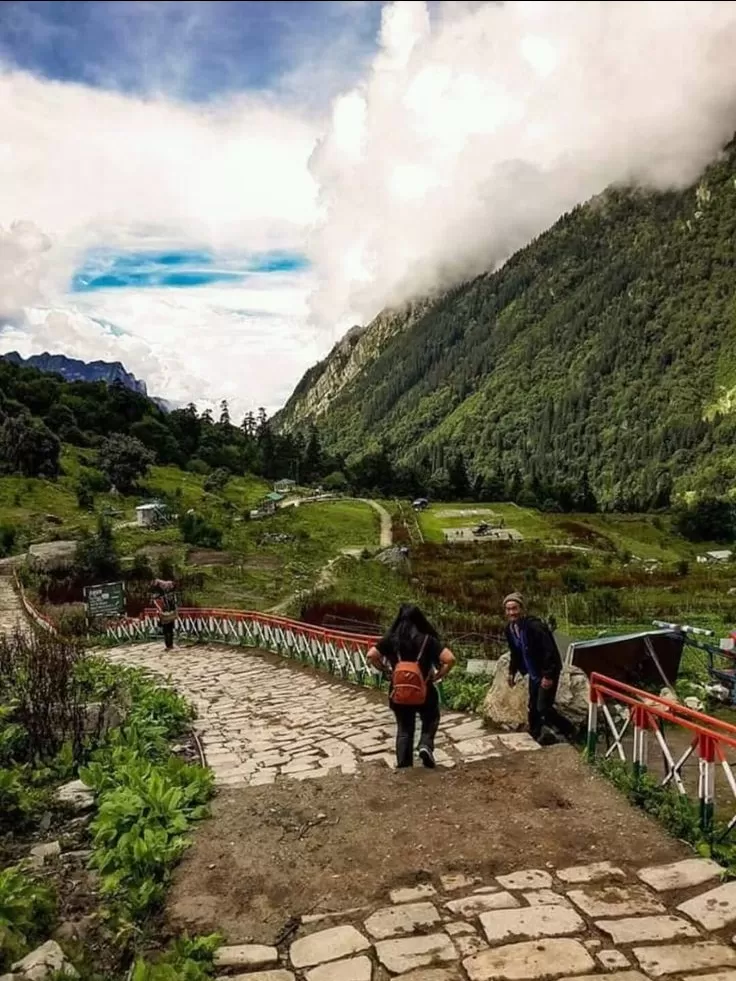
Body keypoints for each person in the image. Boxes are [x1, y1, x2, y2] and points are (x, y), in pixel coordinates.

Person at [367, 604, 456, 769]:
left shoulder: (391, 639)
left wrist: (386, 670)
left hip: (399, 690)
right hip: (424, 689)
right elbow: (450, 659)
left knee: (404, 728)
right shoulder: (428, 640)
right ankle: (425, 745)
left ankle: (404, 765)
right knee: (431, 717)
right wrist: (439, 674)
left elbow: (371, 655)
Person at [503, 592, 574, 744]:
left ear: (522, 609)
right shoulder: (510, 629)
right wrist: (511, 672)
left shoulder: (534, 627)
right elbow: (515, 652)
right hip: (534, 672)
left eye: (514, 609)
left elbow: (549, 651)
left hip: (547, 671)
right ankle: (535, 734)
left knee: (543, 707)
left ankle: (569, 730)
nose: (511, 613)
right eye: (508, 609)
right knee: (533, 706)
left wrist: (548, 676)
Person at [152, 579, 178, 650]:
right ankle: (170, 644)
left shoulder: (159, 593)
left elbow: (156, 602)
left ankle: (168, 645)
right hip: (169, 612)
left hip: (164, 613)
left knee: (166, 629)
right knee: (169, 629)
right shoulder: (169, 592)